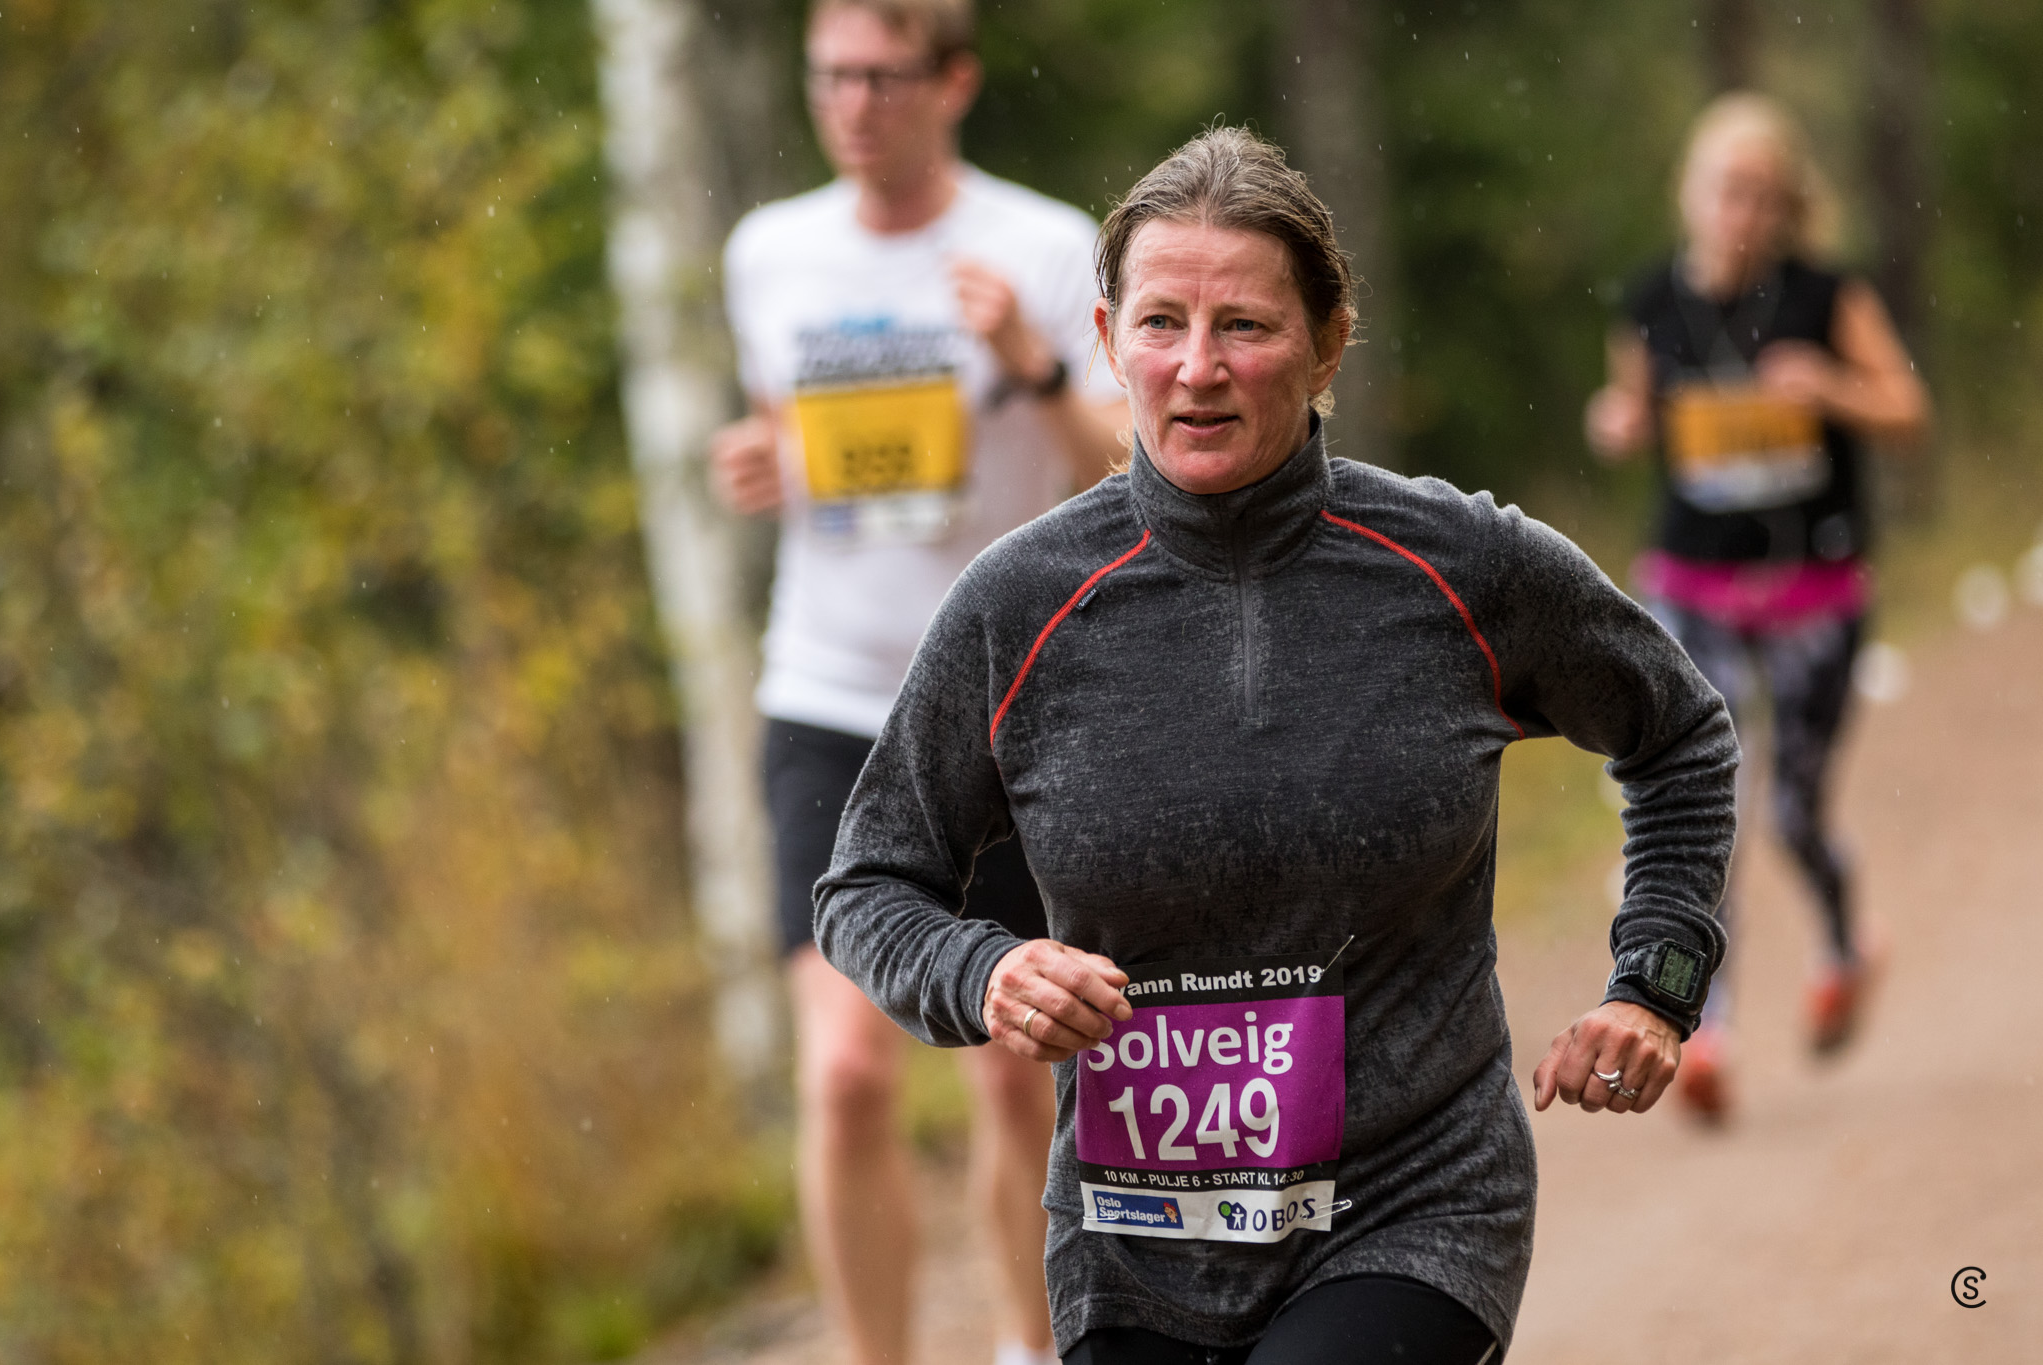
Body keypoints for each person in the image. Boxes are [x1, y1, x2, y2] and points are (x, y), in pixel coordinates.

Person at [817, 127, 1738, 1364]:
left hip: (1411, 1207)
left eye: (1243, 326)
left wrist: (1655, 983)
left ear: (1327, 344)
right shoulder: (1017, 607)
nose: (1197, 369)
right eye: (1160, 324)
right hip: (1132, 1243)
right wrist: (979, 972)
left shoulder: (1458, 568)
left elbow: (1678, 732)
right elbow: (868, 885)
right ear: (1105, 341)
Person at [709, 1, 1128, 1361]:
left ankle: (1028, 1345)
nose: (852, 104)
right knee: (844, 1077)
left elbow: (1121, 466)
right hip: (829, 700)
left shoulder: (1044, 246)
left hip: (1004, 709)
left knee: (1016, 1074)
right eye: (830, 76)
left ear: (952, 83)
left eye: (882, 77)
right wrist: (761, 465)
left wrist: (1030, 363)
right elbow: (796, 441)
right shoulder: (769, 252)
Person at [1585, 93, 1930, 1119]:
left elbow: (1906, 408)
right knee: (1710, 808)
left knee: (1792, 811)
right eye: (1726, 191)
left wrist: (1827, 387)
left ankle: (1846, 946)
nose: (1742, 213)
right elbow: (1625, 414)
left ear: (1787, 206)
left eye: (1762, 196)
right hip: (1692, 587)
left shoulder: (1825, 296)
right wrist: (1614, 423)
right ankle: (1705, 1029)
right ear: (1690, 194)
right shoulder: (1652, 300)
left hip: (1814, 587)